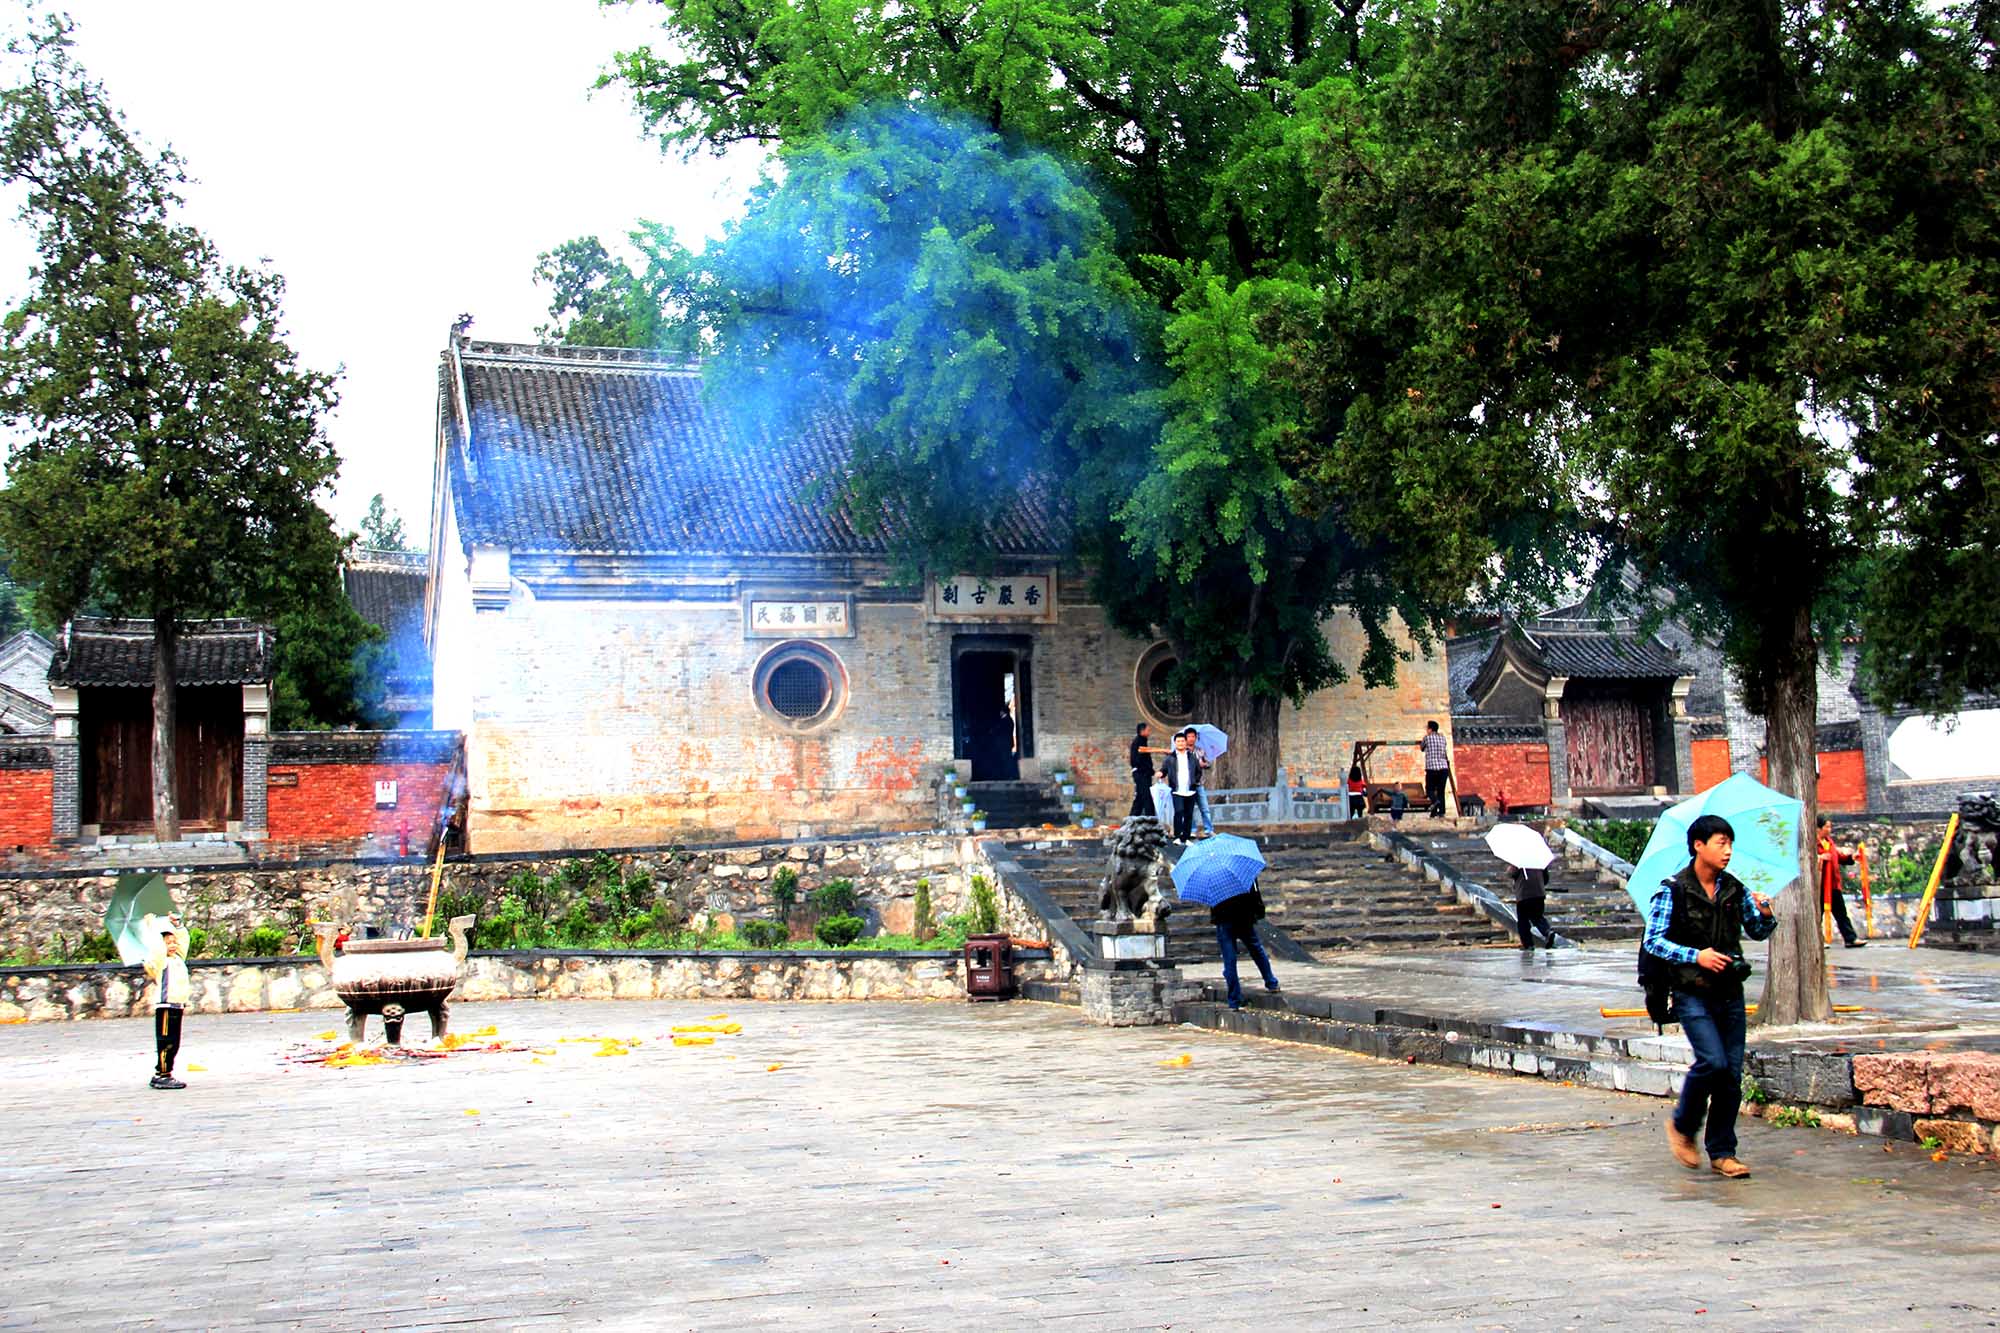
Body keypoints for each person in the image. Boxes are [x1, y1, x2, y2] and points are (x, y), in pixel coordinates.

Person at [1644, 813, 1777, 1180]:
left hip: (1730, 993)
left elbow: (1758, 930)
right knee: (1713, 1062)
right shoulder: (1672, 889)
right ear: (1698, 845)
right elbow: (1653, 941)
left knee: (1731, 1076)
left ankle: (1722, 1152)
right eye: (1721, 843)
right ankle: (1683, 1126)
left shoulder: (1734, 888)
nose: (1728, 851)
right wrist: (1696, 955)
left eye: (1730, 844)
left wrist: (1765, 910)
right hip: (1692, 992)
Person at [143, 914, 191, 1091]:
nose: (173, 945)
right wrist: (152, 926)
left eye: (174, 942)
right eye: (168, 942)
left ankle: (167, 1071)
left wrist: (176, 925)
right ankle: (161, 1074)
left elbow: (184, 940)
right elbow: (155, 947)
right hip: (165, 1006)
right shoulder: (159, 962)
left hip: (177, 1005)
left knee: (175, 1042)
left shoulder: (177, 959)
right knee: (166, 1041)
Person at [1212, 886, 1280, 1010]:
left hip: (1223, 918)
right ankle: (1271, 982)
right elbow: (1254, 892)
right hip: (1244, 916)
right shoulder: (1242, 873)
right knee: (1256, 950)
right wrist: (1257, 911)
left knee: (1229, 960)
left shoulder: (1211, 876)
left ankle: (1234, 1000)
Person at [1816, 817, 1865, 948]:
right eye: (1827, 827)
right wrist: (1820, 857)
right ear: (1819, 828)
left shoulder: (1829, 842)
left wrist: (1851, 858)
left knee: (1841, 913)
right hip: (1819, 885)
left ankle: (1850, 938)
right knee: (1817, 914)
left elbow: (1837, 857)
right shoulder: (1811, 843)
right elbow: (1805, 858)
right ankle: (1817, 940)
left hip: (1833, 883)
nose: (1829, 829)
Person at [1163, 730, 1202, 843]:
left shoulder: (1192, 757)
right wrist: (1161, 773)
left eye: (1182, 741)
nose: (1180, 743)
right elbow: (1164, 769)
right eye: (1178, 741)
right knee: (1179, 812)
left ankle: (1186, 837)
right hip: (1177, 790)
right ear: (1175, 743)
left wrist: (1195, 781)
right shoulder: (1170, 758)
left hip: (1190, 790)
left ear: (1185, 743)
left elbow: (1198, 771)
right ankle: (1177, 836)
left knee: (1189, 814)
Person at [1127, 722, 1167, 817]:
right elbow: (1141, 760)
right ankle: (1151, 819)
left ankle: (1132, 818)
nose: (1149, 732)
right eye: (1148, 730)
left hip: (1143, 773)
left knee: (1140, 798)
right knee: (1147, 797)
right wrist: (1152, 771)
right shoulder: (1139, 742)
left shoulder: (1142, 741)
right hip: (1141, 773)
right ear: (1142, 731)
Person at [1513, 865, 1556, 950]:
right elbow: (1546, 878)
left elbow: (1511, 873)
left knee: (1523, 921)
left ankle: (1528, 944)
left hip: (1524, 895)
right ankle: (1547, 931)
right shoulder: (1539, 861)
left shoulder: (1519, 861)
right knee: (1537, 916)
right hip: (1539, 894)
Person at [1186, 728, 1217, 838]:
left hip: (1199, 784)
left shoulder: (1200, 751)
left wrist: (1204, 764)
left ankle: (1208, 829)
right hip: (1188, 785)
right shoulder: (1183, 752)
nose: (1191, 739)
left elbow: (1207, 763)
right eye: (1189, 736)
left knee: (1204, 808)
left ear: (1196, 738)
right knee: (1189, 809)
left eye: (1193, 736)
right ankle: (1192, 829)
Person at [1419, 720, 1451, 817]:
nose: (1426, 730)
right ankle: (1441, 812)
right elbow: (1444, 748)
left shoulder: (1427, 738)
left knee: (1429, 789)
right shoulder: (1443, 738)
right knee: (1441, 791)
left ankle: (1435, 801)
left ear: (1430, 729)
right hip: (1443, 767)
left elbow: (1422, 748)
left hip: (1432, 768)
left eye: (1427, 728)